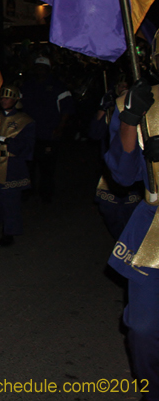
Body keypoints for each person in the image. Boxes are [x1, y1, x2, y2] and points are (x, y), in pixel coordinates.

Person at [104, 77, 159, 400]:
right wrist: (129, 121)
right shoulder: (142, 100)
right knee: (143, 329)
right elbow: (123, 176)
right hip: (153, 228)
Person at [0, 84, 35, 246]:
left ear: (16, 100)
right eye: (2, 97)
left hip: (12, 164)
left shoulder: (26, 121)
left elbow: (28, 146)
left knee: (10, 201)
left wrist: (9, 142)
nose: (5, 100)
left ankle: (9, 232)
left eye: (8, 97)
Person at [89, 76, 141, 240]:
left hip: (135, 173)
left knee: (133, 217)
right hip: (111, 173)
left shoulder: (143, 109)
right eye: (120, 86)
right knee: (111, 214)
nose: (123, 89)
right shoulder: (111, 111)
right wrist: (102, 109)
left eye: (127, 86)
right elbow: (94, 134)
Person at [20, 56, 74, 203]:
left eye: (43, 67)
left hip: (48, 133)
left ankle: (46, 194)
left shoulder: (58, 86)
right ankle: (27, 191)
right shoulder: (27, 85)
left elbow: (67, 109)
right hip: (30, 134)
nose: (40, 70)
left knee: (47, 166)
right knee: (29, 165)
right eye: (37, 67)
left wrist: (60, 127)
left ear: (49, 70)